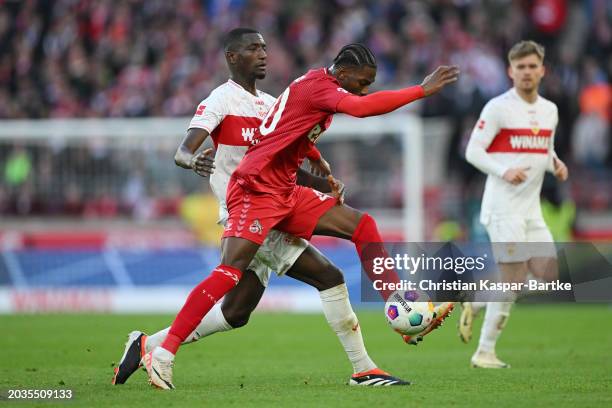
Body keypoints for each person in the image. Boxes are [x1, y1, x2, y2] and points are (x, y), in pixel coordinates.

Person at [114, 28, 441, 389]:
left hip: (283, 193)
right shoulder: (223, 99)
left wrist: (321, 173)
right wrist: (421, 90)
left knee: (241, 310)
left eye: (265, 47)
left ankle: (148, 344)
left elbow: (284, 141)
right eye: (254, 48)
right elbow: (186, 148)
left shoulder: (273, 100)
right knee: (248, 274)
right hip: (250, 195)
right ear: (232, 57)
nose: (264, 54)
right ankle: (162, 353)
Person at [461, 40, 569, 368]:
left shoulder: (550, 110)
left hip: (530, 209)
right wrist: (504, 170)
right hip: (502, 206)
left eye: (531, 66)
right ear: (510, 71)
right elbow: (473, 151)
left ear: (542, 70)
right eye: (520, 67)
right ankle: (484, 352)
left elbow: (540, 148)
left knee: (548, 275)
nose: (526, 72)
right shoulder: (498, 108)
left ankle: (479, 301)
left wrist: (555, 163)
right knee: (513, 279)